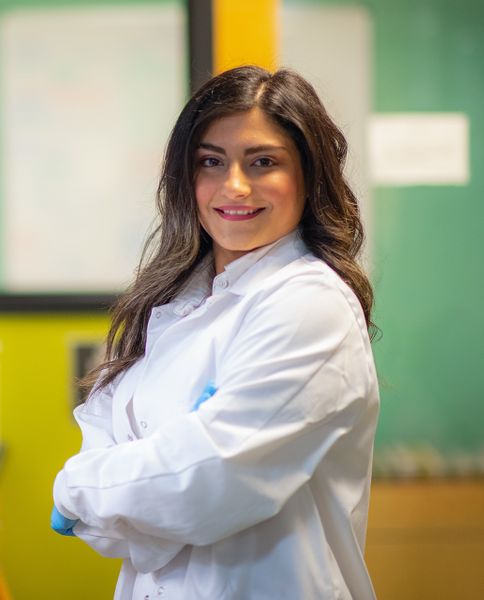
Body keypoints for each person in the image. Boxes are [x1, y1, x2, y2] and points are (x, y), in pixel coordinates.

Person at [51, 65, 380, 599]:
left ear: (308, 175)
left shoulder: (310, 306)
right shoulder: (180, 297)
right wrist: (137, 501)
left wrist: (78, 491)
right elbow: (107, 424)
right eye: (211, 161)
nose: (234, 186)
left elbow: (209, 481)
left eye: (263, 162)